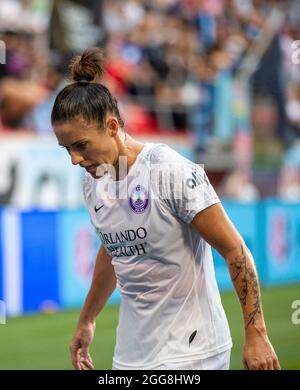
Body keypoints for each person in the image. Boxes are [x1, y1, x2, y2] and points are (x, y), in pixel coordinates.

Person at [51, 48, 280, 371]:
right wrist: (87, 320)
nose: (74, 159)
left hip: (194, 351)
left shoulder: (169, 171)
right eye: (66, 149)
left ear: (112, 126)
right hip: (131, 355)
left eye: (80, 145)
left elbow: (235, 250)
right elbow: (114, 249)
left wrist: (256, 334)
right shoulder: (94, 181)